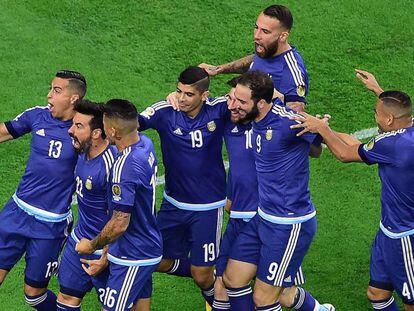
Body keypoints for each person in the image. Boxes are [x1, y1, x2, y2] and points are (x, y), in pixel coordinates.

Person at [211, 76, 333, 311]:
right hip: (263, 217)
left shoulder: (286, 121)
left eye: (240, 101)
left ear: (261, 104)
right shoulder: (255, 116)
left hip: (288, 223)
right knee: (233, 279)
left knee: (266, 298)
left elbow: (325, 146)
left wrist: (323, 131)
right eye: (233, 97)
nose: (232, 104)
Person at [291, 90, 414, 311]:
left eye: (376, 113)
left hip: (405, 236)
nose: (375, 117)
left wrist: (322, 129)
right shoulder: (404, 134)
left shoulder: (393, 145)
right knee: (377, 294)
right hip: (389, 231)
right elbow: (356, 145)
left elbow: (345, 154)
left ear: (389, 119)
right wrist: (320, 129)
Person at [138, 66, 228, 307]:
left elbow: (250, 101)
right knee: (152, 258)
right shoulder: (166, 111)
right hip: (173, 205)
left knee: (201, 277)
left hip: (208, 208)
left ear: (204, 95)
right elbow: (133, 123)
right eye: (179, 91)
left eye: (188, 94)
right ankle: (219, 276)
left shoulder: (219, 110)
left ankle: (218, 299)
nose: (181, 98)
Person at [0, 70, 86, 310]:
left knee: (34, 295)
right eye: (51, 89)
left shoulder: (86, 129)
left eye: (56, 91)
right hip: (15, 214)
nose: (49, 95)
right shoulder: (37, 116)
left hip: (51, 225)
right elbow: (3, 131)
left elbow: (126, 125)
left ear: (73, 98)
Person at [75, 99, 162, 311]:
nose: (103, 131)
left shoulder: (124, 168)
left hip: (133, 254)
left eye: (104, 126)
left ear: (113, 131)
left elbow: (119, 223)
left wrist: (91, 245)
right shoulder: (145, 143)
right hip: (144, 245)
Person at [56, 99, 116, 311]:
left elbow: (120, 219)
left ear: (96, 133)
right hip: (79, 241)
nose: (71, 130)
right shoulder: (83, 150)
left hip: (107, 250)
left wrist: (105, 258)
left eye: (78, 126)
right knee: (66, 299)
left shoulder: (112, 168)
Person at [199, 4, 308, 112]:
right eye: (256, 27)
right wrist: (218, 69)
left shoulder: (291, 71)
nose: (257, 35)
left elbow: (296, 116)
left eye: (265, 31)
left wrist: (277, 102)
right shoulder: (267, 50)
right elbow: (254, 60)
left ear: (283, 36)